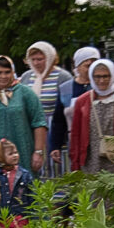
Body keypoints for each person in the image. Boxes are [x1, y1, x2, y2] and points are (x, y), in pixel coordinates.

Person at [0, 57, 47, 180]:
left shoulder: (25, 93)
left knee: (25, 192)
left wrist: (38, 152)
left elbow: (39, 122)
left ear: (13, 72)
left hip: (23, 152)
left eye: (7, 72)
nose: (3, 76)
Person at [68, 57, 114, 171]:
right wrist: (75, 163)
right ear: (91, 77)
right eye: (97, 76)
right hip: (92, 161)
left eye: (105, 76)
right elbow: (76, 134)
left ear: (112, 75)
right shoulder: (82, 101)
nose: (101, 80)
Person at [21, 43, 74, 173]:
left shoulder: (63, 77)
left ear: (50, 58)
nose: (36, 63)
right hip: (32, 128)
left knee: (57, 169)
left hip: (54, 127)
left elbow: (67, 108)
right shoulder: (27, 77)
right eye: (33, 59)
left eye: (40, 59)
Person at [0, 139, 34, 218]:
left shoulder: (24, 174)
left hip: (20, 217)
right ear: (0, 156)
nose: (15, 155)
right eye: (10, 154)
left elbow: (32, 196)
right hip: (0, 218)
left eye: (16, 152)